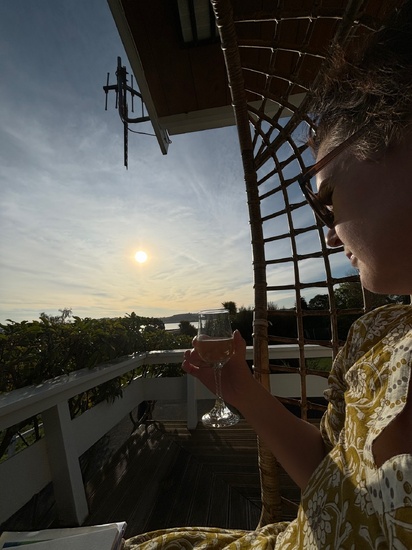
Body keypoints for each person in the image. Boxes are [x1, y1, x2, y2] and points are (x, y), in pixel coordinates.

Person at [125, 1, 412, 548]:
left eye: (326, 200)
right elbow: (330, 478)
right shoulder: (373, 336)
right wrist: (243, 390)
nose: (329, 236)